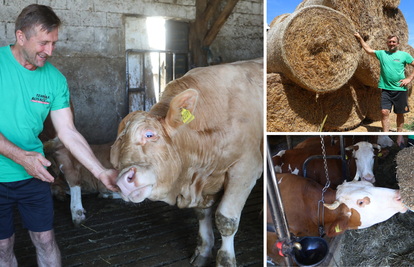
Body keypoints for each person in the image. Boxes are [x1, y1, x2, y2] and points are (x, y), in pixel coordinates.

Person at [0, 4, 118, 267]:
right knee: (3, 246)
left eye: (53, 43)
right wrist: (22, 158)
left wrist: (100, 172)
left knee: (45, 240)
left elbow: (68, 132)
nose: (50, 51)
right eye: (43, 43)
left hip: (34, 174)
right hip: (8, 172)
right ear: (21, 37)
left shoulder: (54, 80)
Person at [354, 32, 414, 141]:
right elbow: (368, 50)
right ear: (387, 43)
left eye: (394, 42)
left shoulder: (404, 55)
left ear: (398, 43)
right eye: (390, 42)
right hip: (386, 89)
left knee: (400, 113)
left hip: (400, 89)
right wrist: (359, 38)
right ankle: (386, 136)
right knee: (384, 112)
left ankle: (399, 135)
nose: (391, 44)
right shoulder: (382, 54)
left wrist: (409, 79)